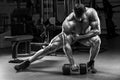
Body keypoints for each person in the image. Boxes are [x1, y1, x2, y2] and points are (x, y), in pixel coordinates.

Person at [14, 3, 101, 73]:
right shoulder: (68, 22)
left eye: (80, 18)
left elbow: (97, 31)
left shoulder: (91, 13)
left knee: (97, 41)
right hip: (70, 35)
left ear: (85, 11)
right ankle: (27, 62)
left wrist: (80, 37)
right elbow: (66, 45)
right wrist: (72, 64)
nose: (78, 19)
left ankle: (91, 63)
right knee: (49, 48)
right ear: (73, 12)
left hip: (84, 35)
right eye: (76, 17)